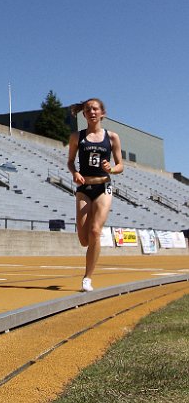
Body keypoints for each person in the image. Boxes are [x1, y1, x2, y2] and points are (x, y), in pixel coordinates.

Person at [67, 98, 123, 292]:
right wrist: (74, 173)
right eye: (88, 109)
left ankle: (87, 278)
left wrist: (112, 169)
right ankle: (92, 245)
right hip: (84, 188)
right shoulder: (76, 137)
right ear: (84, 114)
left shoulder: (112, 137)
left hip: (103, 187)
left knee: (95, 231)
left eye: (95, 109)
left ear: (102, 113)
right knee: (84, 239)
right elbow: (70, 161)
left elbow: (120, 165)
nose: (91, 111)